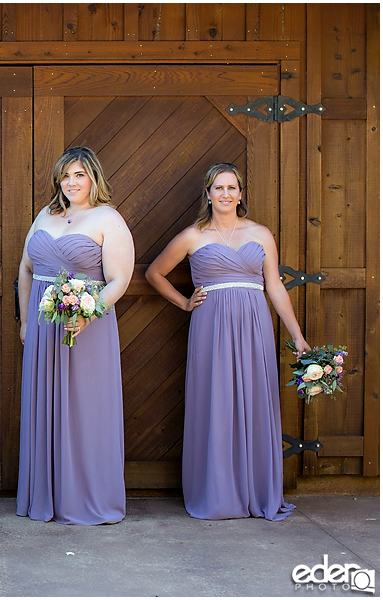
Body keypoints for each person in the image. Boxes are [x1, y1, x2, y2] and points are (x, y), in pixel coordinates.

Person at [145, 163, 310, 521]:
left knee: (254, 399)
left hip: (254, 325)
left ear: (240, 193)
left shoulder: (261, 234)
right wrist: (185, 303)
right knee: (215, 400)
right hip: (211, 325)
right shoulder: (192, 236)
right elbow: (154, 273)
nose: (225, 194)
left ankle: (256, 489)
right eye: (218, 188)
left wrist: (297, 335)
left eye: (232, 187)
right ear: (207, 194)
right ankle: (218, 492)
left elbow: (275, 287)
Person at [16, 147, 134, 525]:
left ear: (93, 178)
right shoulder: (45, 215)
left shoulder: (107, 218)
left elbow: (119, 279)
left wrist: (90, 313)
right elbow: (26, 268)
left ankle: (85, 497)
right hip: (42, 326)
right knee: (43, 404)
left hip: (86, 329)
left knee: (86, 408)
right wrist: (24, 321)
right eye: (66, 176)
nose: (71, 182)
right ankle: (46, 494)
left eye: (79, 175)